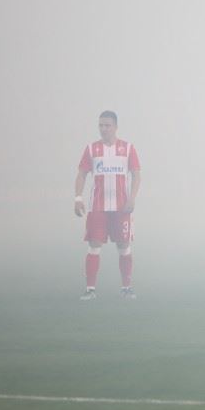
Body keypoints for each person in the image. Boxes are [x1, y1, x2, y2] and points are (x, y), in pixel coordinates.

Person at [74, 110, 141, 300]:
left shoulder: (128, 149)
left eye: (107, 125)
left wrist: (132, 197)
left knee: (124, 245)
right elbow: (81, 174)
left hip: (122, 207)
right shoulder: (91, 149)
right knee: (94, 245)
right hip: (98, 206)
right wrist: (77, 198)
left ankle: (126, 287)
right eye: (100, 125)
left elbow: (136, 174)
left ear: (116, 127)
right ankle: (90, 289)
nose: (103, 129)